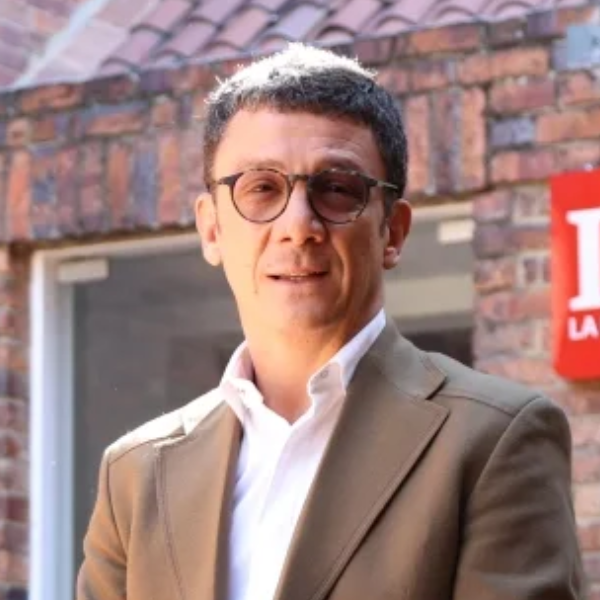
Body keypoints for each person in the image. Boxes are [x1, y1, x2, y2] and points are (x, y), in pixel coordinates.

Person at [77, 44, 584, 600]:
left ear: (393, 232)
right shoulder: (135, 474)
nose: (298, 225)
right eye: (261, 188)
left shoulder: (492, 440)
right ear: (212, 229)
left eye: (337, 189)